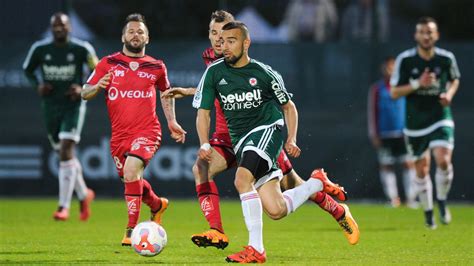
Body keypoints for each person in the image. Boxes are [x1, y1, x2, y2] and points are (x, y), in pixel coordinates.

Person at [163, 10, 359, 251]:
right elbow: (220, 87)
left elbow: (249, 86)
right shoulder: (211, 61)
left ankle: (337, 210)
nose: (218, 39)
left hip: (258, 133)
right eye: (214, 33)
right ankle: (216, 230)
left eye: (224, 34)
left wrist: (290, 136)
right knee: (201, 168)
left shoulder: (250, 65)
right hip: (228, 137)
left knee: (293, 186)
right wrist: (191, 91)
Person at [81, 13, 187, 245]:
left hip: (148, 131)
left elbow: (166, 94)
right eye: (131, 31)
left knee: (131, 171)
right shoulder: (107, 63)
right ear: (123, 36)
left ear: (147, 37)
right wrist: (98, 86)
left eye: (140, 31)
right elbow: (84, 92)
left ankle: (131, 230)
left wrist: (171, 121)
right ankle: (158, 205)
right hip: (119, 136)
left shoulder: (156, 66)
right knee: (131, 178)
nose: (135, 35)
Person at [23, 12, 96, 221]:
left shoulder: (82, 49)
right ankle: (84, 194)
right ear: (51, 27)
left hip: (72, 105)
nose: (58, 29)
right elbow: (27, 70)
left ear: (69, 27)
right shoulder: (40, 49)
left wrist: (83, 87)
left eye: (62, 25)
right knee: (64, 154)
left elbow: (99, 71)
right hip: (50, 106)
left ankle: (63, 206)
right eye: (55, 25)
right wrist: (38, 85)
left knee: (65, 149)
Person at [390, 17, 460, 229]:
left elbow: (455, 79)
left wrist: (449, 93)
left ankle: (442, 201)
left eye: (430, 32)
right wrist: (417, 83)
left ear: (436, 35)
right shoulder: (406, 60)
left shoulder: (446, 58)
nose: (426, 36)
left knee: (443, 159)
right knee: (421, 168)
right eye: (422, 32)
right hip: (415, 121)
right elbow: (394, 92)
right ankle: (429, 212)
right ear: (416, 35)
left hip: (440, 117)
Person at [368, 56, 417, 208]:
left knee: (408, 164)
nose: (390, 69)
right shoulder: (377, 89)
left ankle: (410, 199)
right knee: (386, 165)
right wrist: (374, 134)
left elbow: (413, 110)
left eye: (393, 66)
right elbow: (372, 112)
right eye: (388, 66)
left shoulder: (405, 87)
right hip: (384, 134)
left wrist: (413, 131)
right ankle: (393, 199)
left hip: (404, 133)